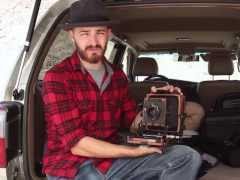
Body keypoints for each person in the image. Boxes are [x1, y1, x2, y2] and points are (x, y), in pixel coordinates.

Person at [41, 0, 202, 179]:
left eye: (100, 33)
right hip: (72, 166)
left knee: (187, 157)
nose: (93, 41)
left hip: (113, 162)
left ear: (109, 34)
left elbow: (133, 123)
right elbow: (77, 144)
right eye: (84, 33)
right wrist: (133, 152)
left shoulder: (118, 76)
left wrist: (160, 104)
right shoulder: (57, 77)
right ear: (72, 35)